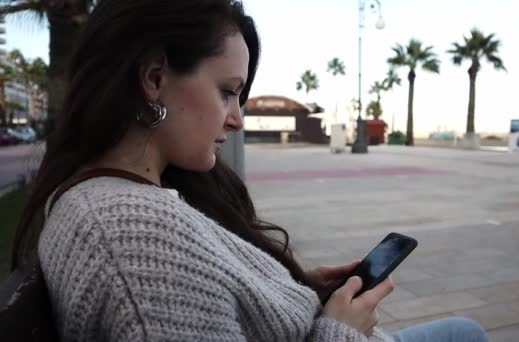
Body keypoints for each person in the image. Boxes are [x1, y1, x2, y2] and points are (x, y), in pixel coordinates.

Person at [11, 0, 488, 341]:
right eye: (227, 91)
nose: (237, 118)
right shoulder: (135, 238)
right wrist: (340, 332)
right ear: (154, 79)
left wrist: (297, 285)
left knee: (464, 330)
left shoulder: (122, 196)